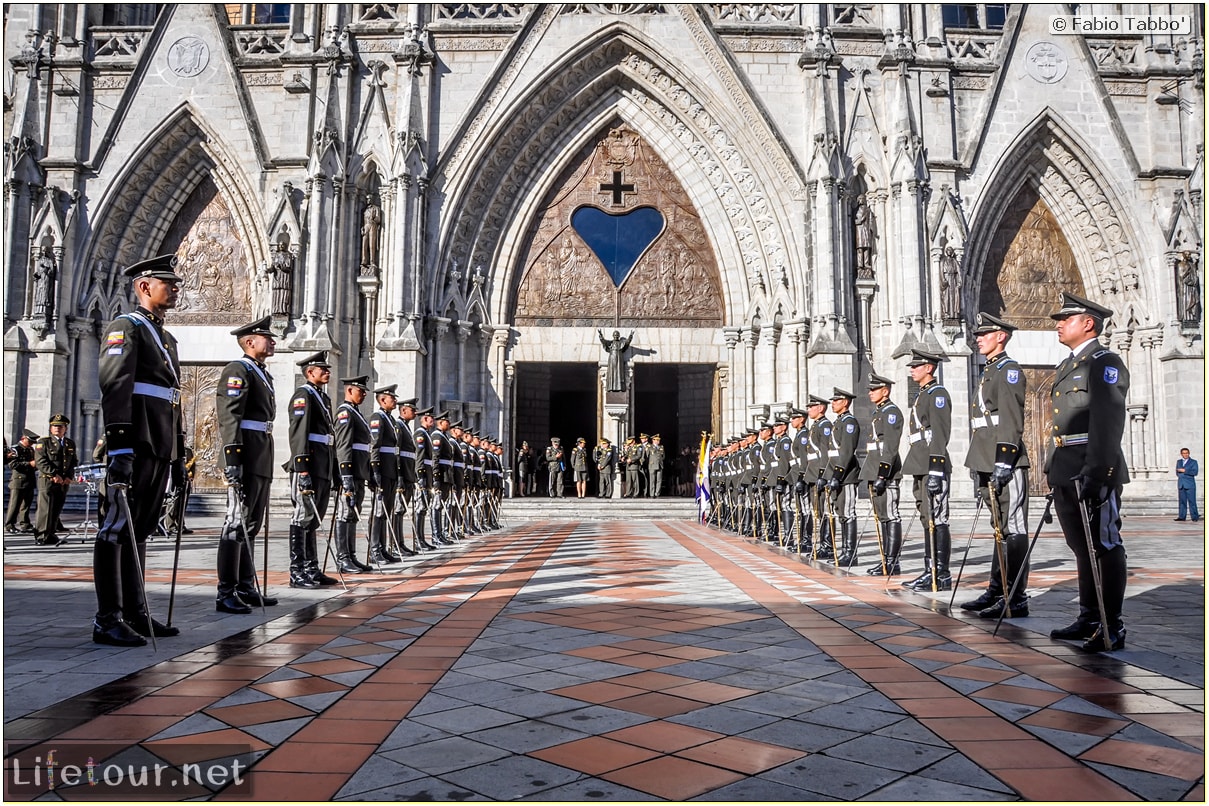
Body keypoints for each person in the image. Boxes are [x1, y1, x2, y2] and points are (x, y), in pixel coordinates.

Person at [94, 254, 187, 646]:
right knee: (116, 528)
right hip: (135, 440)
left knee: (141, 528)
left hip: (159, 441)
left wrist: (179, 456)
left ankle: (135, 612)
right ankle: (107, 618)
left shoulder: (164, 337)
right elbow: (116, 388)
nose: (176, 287)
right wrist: (119, 447)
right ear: (144, 286)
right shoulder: (125, 328)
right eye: (169, 282)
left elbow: (173, 398)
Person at [1047, 292, 1130, 652]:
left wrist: (1097, 472)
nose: (1059, 324)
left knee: (1104, 545)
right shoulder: (1068, 365)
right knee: (1082, 548)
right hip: (1066, 468)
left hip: (1092, 469)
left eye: (1067, 318)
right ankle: (1088, 616)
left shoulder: (1103, 362)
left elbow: (1108, 421)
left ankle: (1111, 625)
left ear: (1089, 323)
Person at [961, 312, 1031, 618]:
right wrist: (981, 465)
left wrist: (1004, 461)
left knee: (1013, 528)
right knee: (1000, 529)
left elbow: (1011, 421)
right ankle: (996, 589)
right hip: (989, 460)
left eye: (984, 334)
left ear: (1001, 336)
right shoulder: (990, 371)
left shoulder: (1008, 370)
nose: (978, 338)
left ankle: (1015, 597)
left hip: (1007, 462)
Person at [214, 316, 280, 614]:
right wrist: (232, 459)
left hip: (260, 454)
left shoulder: (260, 372)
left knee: (250, 525)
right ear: (250, 341)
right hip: (246, 455)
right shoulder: (238, 370)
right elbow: (230, 417)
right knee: (235, 524)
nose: (274, 341)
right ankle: (226, 591)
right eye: (268, 337)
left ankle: (244, 586)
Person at [286, 351, 340, 589]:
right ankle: (297, 571)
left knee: (314, 518)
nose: (327, 372)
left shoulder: (322, 398)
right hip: (309, 465)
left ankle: (312, 568)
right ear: (310, 372)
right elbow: (299, 435)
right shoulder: (303, 396)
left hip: (323, 465)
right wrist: (302, 469)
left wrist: (335, 471)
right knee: (303, 516)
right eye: (323, 369)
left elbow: (330, 438)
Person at [901, 349, 953, 592]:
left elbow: (940, 435)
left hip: (932, 465)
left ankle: (940, 573)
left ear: (929, 368)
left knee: (937, 518)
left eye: (916, 366)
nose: (912, 369)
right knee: (927, 518)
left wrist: (936, 469)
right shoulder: (923, 395)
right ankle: (928, 569)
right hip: (920, 463)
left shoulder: (937, 394)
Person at [859, 373, 905, 575]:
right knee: (883, 517)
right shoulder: (879, 412)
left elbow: (891, 447)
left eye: (874, 389)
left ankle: (892, 562)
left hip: (886, 473)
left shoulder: (890, 412)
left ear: (884, 391)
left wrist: (883, 475)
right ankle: (885, 560)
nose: (870, 393)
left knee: (891, 516)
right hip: (876, 471)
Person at [334, 375, 374, 573]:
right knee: (345, 514)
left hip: (360, 471)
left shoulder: (356, 413)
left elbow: (364, 448)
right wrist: (346, 475)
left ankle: (351, 555)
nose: (365, 394)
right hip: (350, 472)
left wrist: (369, 473)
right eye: (361, 390)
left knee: (353, 515)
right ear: (349, 391)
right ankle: (343, 558)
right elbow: (343, 446)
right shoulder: (345, 413)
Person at [368, 384, 406, 563]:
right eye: (393, 398)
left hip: (390, 471)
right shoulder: (378, 418)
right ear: (383, 400)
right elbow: (374, 446)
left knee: (386, 511)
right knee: (378, 511)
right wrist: (375, 470)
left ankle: (382, 548)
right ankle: (374, 549)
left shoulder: (390, 420)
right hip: (382, 470)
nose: (396, 401)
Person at [828, 389, 862, 567]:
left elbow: (847, 451)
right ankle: (844, 551)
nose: (832, 403)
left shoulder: (849, 422)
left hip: (846, 475)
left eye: (836, 400)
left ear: (845, 402)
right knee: (841, 513)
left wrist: (838, 474)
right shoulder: (838, 422)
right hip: (837, 474)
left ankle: (851, 553)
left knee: (848, 513)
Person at [34, 414, 77, 546]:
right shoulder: (44, 442)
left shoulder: (70, 443)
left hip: (63, 482)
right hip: (48, 480)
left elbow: (73, 461)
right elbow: (40, 461)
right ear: (50, 428)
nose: (57, 428)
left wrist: (69, 476)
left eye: (60, 426)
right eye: (54, 426)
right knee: (45, 508)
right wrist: (53, 474)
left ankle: (51, 533)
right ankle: (42, 535)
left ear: (66, 428)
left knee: (56, 508)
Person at [5, 429, 38, 533]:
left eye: (33, 442)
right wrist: (29, 464)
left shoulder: (30, 449)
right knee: (15, 505)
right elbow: (13, 465)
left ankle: (25, 524)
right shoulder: (15, 449)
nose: (31, 444)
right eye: (30, 442)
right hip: (18, 481)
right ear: (23, 438)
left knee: (26, 505)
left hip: (30, 480)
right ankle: (10, 525)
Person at [1176, 448, 1200, 522]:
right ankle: (1182, 516)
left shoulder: (1193, 462)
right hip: (1181, 484)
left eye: (1186, 453)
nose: (1185, 454)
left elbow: (1195, 472)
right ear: (1181, 454)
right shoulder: (1179, 462)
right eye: (1183, 453)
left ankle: (1194, 517)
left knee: (1192, 501)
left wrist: (1185, 471)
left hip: (1190, 484)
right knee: (1182, 501)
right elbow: (1177, 472)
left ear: (1189, 453)